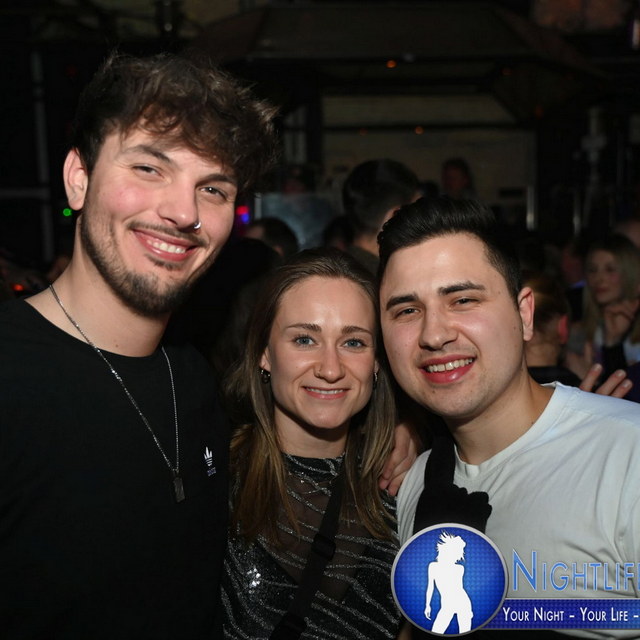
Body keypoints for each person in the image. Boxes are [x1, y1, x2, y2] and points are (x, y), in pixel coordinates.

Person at [0, 52, 277, 638]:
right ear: (79, 178)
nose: (183, 212)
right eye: (150, 168)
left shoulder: (195, 378)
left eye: (212, 187)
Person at [377, 197, 640, 638]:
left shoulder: (627, 457)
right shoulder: (417, 481)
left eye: (463, 300)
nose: (434, 334)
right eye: (407, 311)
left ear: (524, 314)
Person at [220, 248, 403, 639]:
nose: (330, 369)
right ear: (265, 354)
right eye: (305, 339)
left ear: (376, 361)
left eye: (354, 342)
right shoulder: (213, 483)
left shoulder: (402, 490)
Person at [342, 159, 420, 274]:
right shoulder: (384, 280)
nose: (423, 221)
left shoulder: (337, 269)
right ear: (395, 216)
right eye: (417, 212)